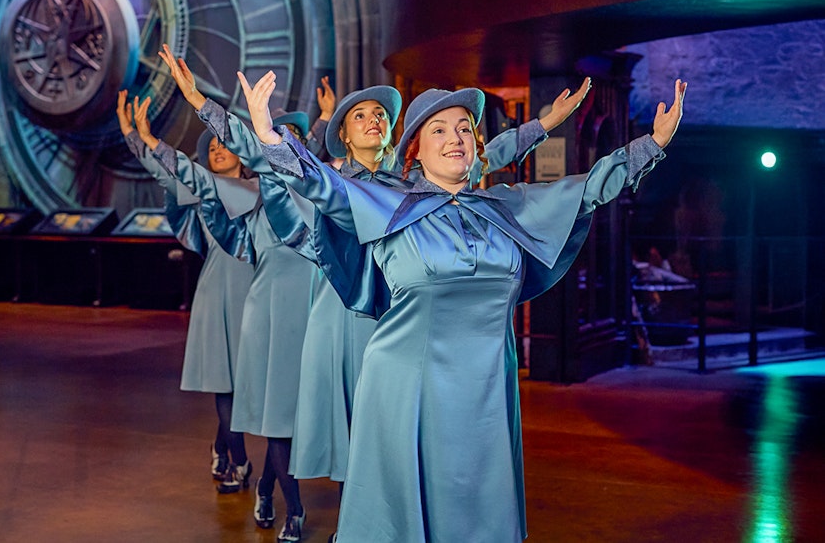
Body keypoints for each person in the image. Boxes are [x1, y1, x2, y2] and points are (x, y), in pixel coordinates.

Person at [242, 70, 686, 542]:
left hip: (487, 391)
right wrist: (268, 137)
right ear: (414, 150)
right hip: (404, 386)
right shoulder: (386, 205)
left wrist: (653, 143)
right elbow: (319, 185)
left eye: (464, 129)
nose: (456, 138)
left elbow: (589, 188)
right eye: (439, 129)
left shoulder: (504, 207)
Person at [157, 45, 319, 543]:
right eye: (274, 134)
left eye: (290, 135)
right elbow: (196, 177)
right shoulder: (256, 193)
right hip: (265, 312)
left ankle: (267, 487)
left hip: (313, 316)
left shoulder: (322, 189)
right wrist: (196, 106)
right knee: (273, 417)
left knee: (298, 417)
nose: (281, 141)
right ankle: (289, 506)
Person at [115, 91, 254, 492]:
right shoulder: (201, 189)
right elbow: (166, 173)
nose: (217, 149)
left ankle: (222, 443)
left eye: (225, 143)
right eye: (210, 146)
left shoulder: (264, 191)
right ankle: (239, 461)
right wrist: (134, 138)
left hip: (260, 295)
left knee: (252, 383)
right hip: (217, 293)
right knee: (225, 382)